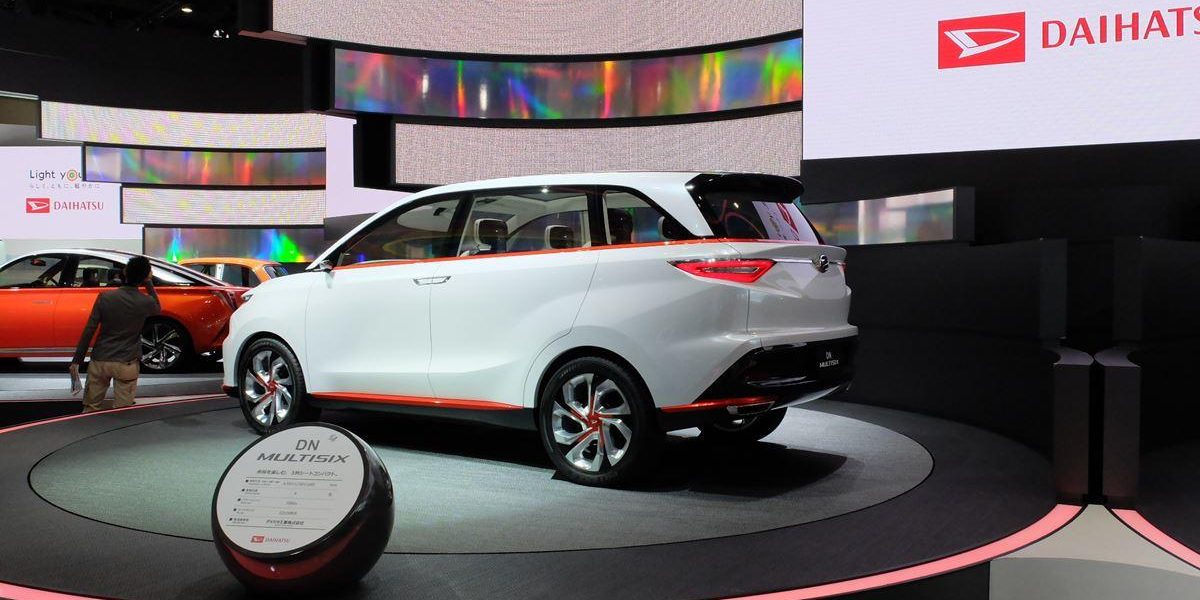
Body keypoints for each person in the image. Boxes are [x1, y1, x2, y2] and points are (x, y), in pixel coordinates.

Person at [69, 256, 161, 413]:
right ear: (146, 276)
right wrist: (148, 282)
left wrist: (77, 360)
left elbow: (89, 329)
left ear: (125, 272)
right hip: (127, 362)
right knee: (122, 412)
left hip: (100, 359)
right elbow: (157, 307)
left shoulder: (105, 297)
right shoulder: (146, 302)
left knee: (91, 408)